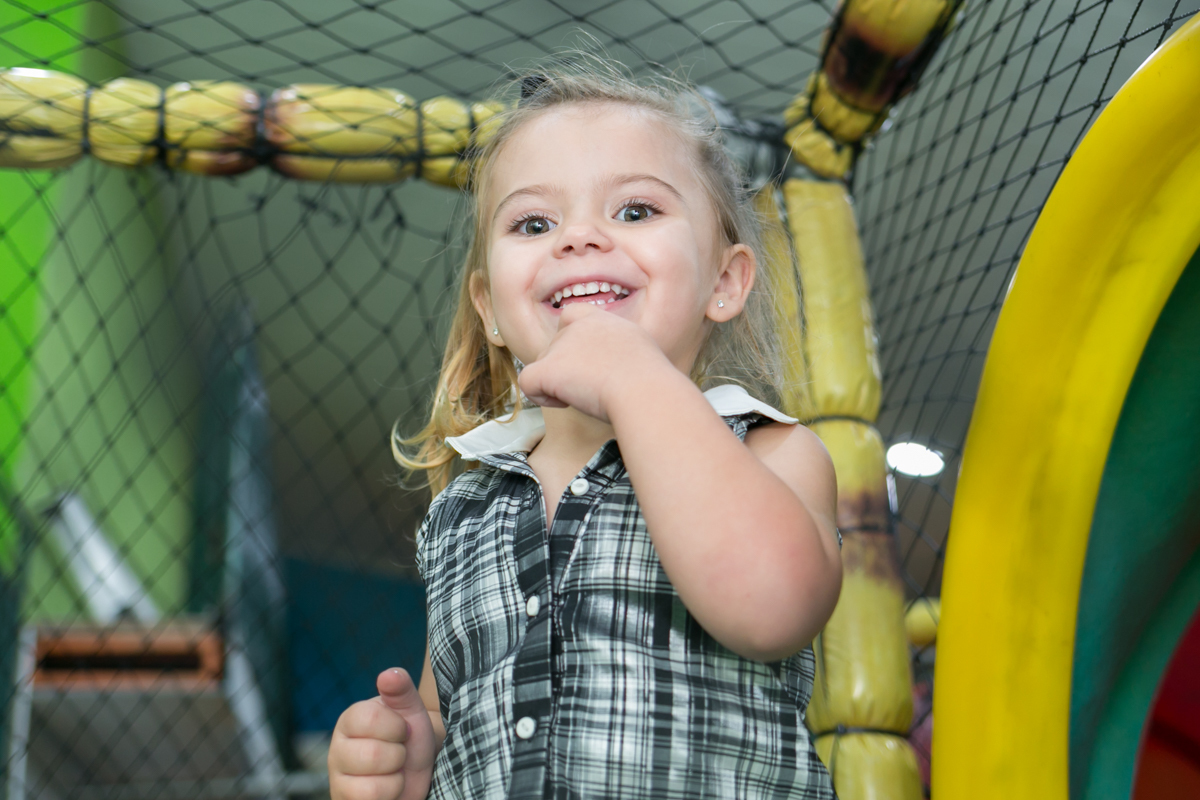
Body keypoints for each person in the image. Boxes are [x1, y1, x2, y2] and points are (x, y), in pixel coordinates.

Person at [328, 59, 843, 800]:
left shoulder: (766, 448)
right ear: (491, 311)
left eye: (634, 211)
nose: (579, 238)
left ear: (725, 282)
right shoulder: (463, 509)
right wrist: (414, 757)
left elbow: (773, 608)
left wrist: (634, 378)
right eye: (535, 223)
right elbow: (460, 708)